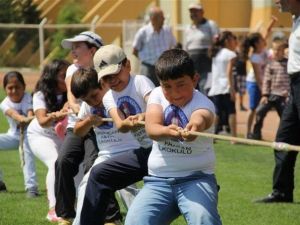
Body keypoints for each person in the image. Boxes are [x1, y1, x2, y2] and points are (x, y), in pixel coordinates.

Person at [124, 48, 222, 225]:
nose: (174, 93)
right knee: (134, 222)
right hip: (157, 181)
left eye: (181, 84)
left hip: (196, 179)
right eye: (167, 86)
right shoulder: (156, 94)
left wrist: (194, 126)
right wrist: (168, 131)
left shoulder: (204, 103)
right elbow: (152, 128)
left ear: (195, 79)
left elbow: (202, 117)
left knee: (204, 219)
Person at [79, 44, 154, 225]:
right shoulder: (108, 97)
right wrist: (128, 123)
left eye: (115, 74)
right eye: (106, 77)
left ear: (127, 65)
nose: (112, 80)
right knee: (97, 174)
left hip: (160, 148)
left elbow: (156, 108)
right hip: (143, 152)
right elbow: (120, 125)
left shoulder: (140, 82)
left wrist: (144, 115)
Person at [70, 68, 145, 225]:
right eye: (86, 99)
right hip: (107, 155)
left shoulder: (116, 97)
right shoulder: (87, 107)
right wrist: (89, 121)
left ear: (103, 84)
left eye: (94, 96)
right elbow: (77, 131)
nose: (92, 102)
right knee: (86, 184)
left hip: (131, 150)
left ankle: (142, 219)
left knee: (127, 190)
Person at [54, 31, 103, 225]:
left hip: (100, 126)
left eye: (77, 47)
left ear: (92, 50)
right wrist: (79, 109)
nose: (73, 51)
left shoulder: (104, 70)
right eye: (72, 47)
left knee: (95, 166)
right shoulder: (71, 70)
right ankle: (65, 215)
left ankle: (110, 217)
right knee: (63, 161)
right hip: (78, 124)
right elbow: (72, 100)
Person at [256, 0, 300, 203]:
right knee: (283, 140)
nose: (276, 2)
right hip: (295, 86)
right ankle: (281, 193)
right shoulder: (295, 18)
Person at [26, 59, 70, 222]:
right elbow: (43, 121)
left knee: (77, 165)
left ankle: (81, 204)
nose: (67, 78)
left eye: (69, 74)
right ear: (52, 77)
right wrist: (57, 114)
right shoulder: (40, 94)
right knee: (55, 163)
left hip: (62, 135)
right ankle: (53, 208)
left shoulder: (71, 91)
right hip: (40, 134)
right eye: (63, 75)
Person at [0, 71, 38, 197]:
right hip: (13, 136)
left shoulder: (28, 97)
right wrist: (21, 118)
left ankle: (31, 187)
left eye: (18, 87)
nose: (14, 91)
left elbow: (30, 113)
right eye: (10, 88)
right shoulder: (4, 103)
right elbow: (13, 114)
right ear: (5, 89)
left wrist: (28, 118)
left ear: (24, 87)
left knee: (25, 148)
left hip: (30, 135)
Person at [243, 16, 277, 138]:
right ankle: (248, 133)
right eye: (262, 39)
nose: (265, 40)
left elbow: (266, 32)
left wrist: (272, 22)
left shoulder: (262, 49)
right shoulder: (255, 57)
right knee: (252, 109)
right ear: (257, 43)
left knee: (260, 109)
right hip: (254, 83)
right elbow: (258, 77)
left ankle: (256, 133)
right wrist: (264, 92)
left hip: (263, 83)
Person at [251, 40, 289, 140]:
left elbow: (292, 80)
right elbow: (266, 81)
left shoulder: (289, 63)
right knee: (259, 111)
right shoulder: (270, 64)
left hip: (284, 96)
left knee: (285, 118)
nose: (276, 52)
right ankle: (256, 135)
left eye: (279, 49)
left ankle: (284, 138)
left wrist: (288, 93)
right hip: (271, 95)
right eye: (274, 49)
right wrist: (264, 95)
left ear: (284, 51)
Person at [132, 6, 177, 87]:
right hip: (147, 68)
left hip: (164, 68)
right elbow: (134, 50)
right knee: (147, 91)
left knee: (164, 91)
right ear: (153, 18)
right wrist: (144, 59)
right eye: (161, 17)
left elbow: (174, 45)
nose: (164, 19)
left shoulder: (167, 30)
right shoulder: (143, 32)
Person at [183, 2, 220, 94]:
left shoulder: (211, 25)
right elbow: (185, 48)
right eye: (191, 12)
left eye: (196, 11)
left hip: (207, 63)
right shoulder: (188, 28)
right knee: (193, 90)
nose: (193, 14)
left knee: (205, 90)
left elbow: (217, 42)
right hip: (192, 64)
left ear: (202, 12)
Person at [208, 31, 237, 140]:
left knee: (217, 112)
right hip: (226, 86)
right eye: (233, 39)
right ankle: (234, 138)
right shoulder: (231, 54)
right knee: (231, 111)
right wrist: (232, 89)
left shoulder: (216, 54)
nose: (235, 41)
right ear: (227, 41)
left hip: (215, 87)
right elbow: (229, 72)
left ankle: (213, 136)